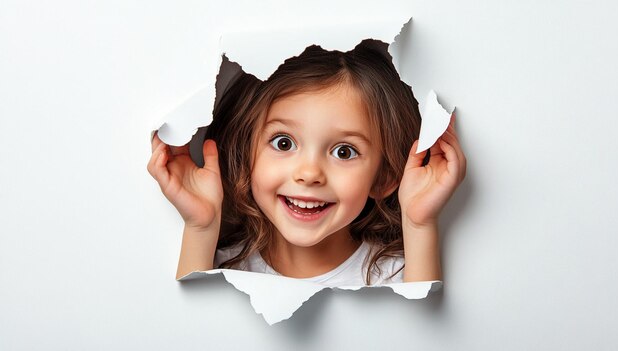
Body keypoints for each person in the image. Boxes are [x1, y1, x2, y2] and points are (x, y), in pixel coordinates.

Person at [147, 40, 466, 286]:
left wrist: (419, 224)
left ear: (384, 175)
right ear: (246, 155)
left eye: (344, 152)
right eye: (283, 143)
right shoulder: (220, 269)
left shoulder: (395, 275)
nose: (309, 173)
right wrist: (200, 227)